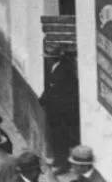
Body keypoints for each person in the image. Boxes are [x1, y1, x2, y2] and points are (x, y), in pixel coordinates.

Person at [39, 46, 80, 175]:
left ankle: (62, 163)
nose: (48, 60)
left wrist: (46, 99)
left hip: (62, 113)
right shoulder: (57, 67)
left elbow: (58, 90)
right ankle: (58, 160)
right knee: (56, 138)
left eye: (49, 58)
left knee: (61, 138)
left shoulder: (63, 70)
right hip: (56, 112)